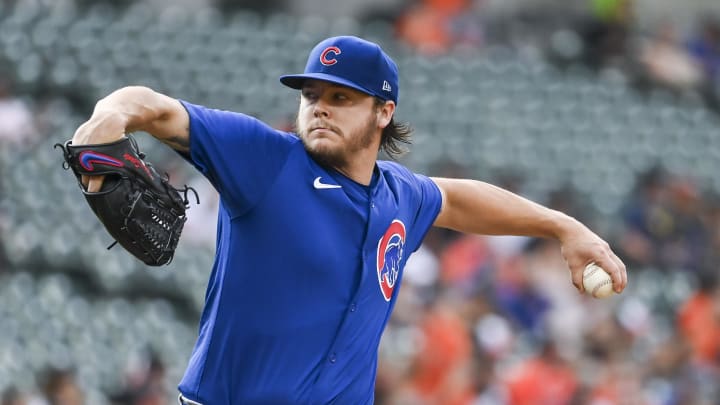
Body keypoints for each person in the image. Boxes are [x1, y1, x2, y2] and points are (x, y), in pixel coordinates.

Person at [70, 35, 627, 405]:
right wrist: (108, 119)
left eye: (341, 97)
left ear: (384, 112)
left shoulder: (400, 197)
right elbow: (152, 105)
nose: (320, 107)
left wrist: (563, 227)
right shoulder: (265, 160)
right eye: (311, 95)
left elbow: (458, 199)